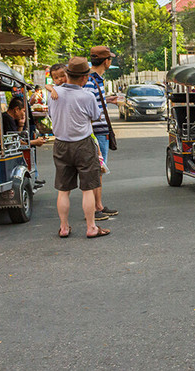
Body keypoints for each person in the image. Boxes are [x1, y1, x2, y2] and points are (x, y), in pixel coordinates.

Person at [49, 57, 110, 239]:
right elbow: (96, 116)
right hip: (83, 144)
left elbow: (51, 115)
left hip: (61, 144)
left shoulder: (54, 94)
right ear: (84, 78)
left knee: (63, 190)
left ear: (67, 75)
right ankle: (91, 227)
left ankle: (64, 227)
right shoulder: (87, 96)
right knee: (87, 188)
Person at [83, 46, 119, 221]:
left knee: (99, 170)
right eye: (109, 58)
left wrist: (107, 100)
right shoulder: (91, 80)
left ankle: (98, 205)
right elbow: (87, 106)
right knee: (97, 170)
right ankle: (95, 208)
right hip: (96, 131)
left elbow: (93, 101)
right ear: (106, 61)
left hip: (99, 130)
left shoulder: (95, 79)